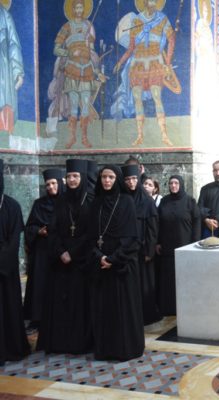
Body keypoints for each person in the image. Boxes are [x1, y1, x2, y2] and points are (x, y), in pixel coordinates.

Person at [87, 165, 144, 361]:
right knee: (104, 311)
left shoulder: (126, 201)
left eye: (111, 177)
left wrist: (113, 259)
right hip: (101, 266)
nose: (107, 181)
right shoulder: (96, 203)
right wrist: (99, 257)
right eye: (104, 177)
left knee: (123, 311)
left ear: (117, 179)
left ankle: (125, 349)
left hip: (122, 266)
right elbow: (90, 237)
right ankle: (105, 349)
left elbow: (132, 238)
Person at [38, 159, 93, 354]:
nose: (72, 180)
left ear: (82, 177)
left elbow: (92, 232)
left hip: (82, 260)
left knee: (81, 303)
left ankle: (80, 343)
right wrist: (61, 251)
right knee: (61, 303)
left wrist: (73, 252)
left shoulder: (91, 199)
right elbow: (52, 230)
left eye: (75, 176)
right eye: (69, 176)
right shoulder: (61, 200)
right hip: (61, 260)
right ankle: (62, 343)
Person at [113, 0, 177, 147]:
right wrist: (120, 62)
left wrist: (167, 63)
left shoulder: (162, 19)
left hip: (155, 63)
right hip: (138, 65)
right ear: (145, 2)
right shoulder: (136, 21)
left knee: (157, 97)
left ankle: (164, 135)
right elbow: (131, 48)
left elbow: (172, 40)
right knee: (137, 99)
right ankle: (140, 135)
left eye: (155, 1)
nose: (152, 3)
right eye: (150, 1)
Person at [51, 0, 102, 149]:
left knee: (85, 106)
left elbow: (92, 50)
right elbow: (56, 49)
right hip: (72, 70)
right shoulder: (66, 27)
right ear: (73, 10)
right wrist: (70, 53)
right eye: (77, 8)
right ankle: (72, 138)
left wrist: (97, 69)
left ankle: (84, 138)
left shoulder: (88, 26)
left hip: (86, 70)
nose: (79, 10)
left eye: (81, 7)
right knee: (74, 106)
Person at [23, 168, 65, 330]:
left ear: (60, 183)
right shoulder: (39, 204)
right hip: (42, 251)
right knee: (39, 284)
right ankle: (37, 318)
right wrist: (38, 231)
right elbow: (29, 227)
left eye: (53, 183)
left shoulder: (67, 203)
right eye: (47, 184)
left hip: (60, 251)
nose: (50, 187)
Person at [122, 164, 161, 325]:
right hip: (125, 251)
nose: (131, 182)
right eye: (127, 179)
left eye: (134, 179)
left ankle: (145, 316)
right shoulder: (122, 199)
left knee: (144, 284)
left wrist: (149, 251)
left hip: (142, 251)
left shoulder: (147, 201)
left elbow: (153, 228)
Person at [156, 175, 201, 315]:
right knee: (168, 279)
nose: (173, 186)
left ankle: (186, 308)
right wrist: (158, 242)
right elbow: (158, 223)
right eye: (171, 183)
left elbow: (197, 223)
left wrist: (195, 244)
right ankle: (169, 308)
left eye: (176, 183)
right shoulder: (164, 201)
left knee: (183, 278)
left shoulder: (190, 201)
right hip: (167, 248)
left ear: (181, 184)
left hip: (185, 246)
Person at [0, 159, 30, 366]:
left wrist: (2, 263)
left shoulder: (12, 205)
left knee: (8, 308)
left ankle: (10, 348)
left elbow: (14, 241)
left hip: (6, 269)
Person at [0, 4, 24, 135]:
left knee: (5, 101)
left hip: (3, 68)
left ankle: (4, 134)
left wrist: (18, 72)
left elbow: (14, 44)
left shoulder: (5, 16)